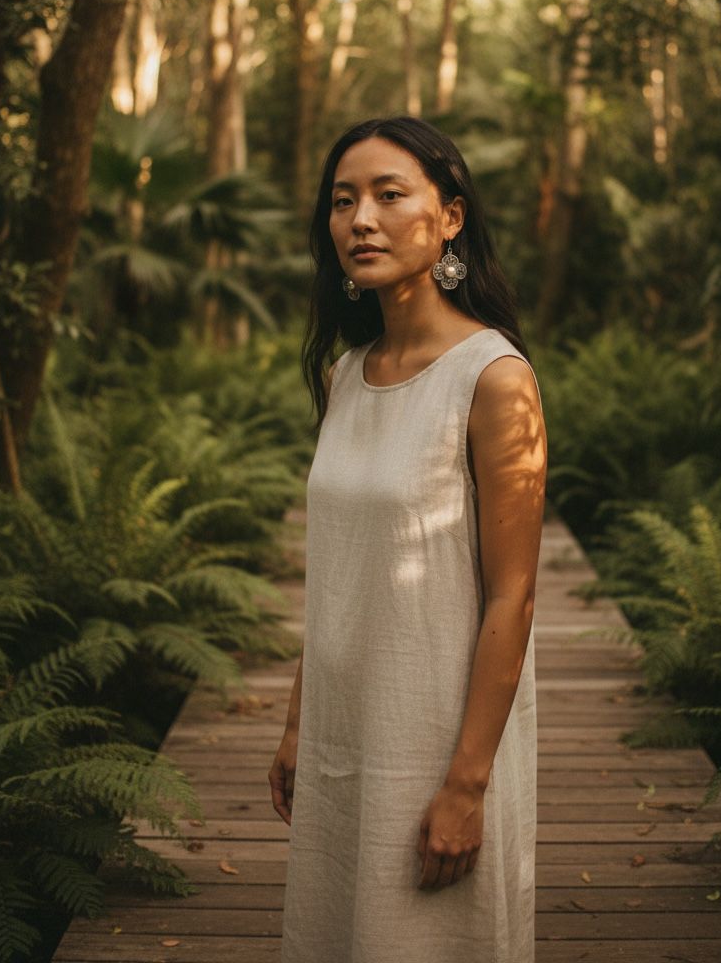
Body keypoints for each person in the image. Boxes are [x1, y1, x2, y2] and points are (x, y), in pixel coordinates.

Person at [270, 115, 548, 962]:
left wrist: (467, 785)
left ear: (450, 217)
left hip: (438, 733)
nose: (361, 220)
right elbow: (339, 571)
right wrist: (295, 722)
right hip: (344, 730)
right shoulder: (346, 374)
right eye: (343, 200)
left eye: (391, 196)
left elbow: (515, 594)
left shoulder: (494, 379)